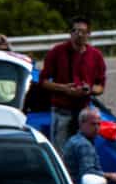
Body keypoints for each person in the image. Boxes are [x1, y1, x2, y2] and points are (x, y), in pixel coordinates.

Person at [40, 16, 106, 148]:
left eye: (82, 31)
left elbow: (100, 87)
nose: (79, 34)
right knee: (62, 153)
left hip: (84, 113)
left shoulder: (95, 56)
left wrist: (89, 90)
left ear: (89, 34)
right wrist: (64, 88)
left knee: (84, 152)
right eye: (75, 31)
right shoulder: (57, 52)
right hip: (62, 111)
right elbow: (43, 81)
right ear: (70, 33)